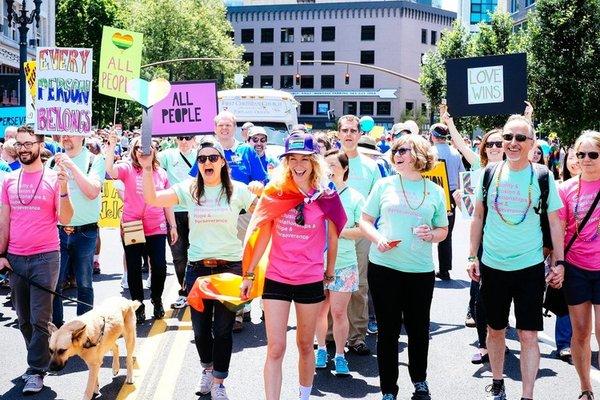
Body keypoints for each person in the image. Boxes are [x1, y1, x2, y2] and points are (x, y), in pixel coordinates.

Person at [141, 137, 256, 400]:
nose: (207, 162)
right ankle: (207, 369)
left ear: (222, 163)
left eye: (212, 158)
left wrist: (260, 190)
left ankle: (218, 382)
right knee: (201, 330)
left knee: (224, 330)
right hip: (197, 270)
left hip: (230, 269)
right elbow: (152, 198)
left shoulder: (237, 190)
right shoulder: (188, 189)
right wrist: (147, 168)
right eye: (202, 159)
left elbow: (261, 213)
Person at [240, 133, 346, 400]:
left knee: (304, 345)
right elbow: (263, 233)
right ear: (286, 162)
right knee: (275, 347)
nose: (299, 164)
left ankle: (304, 396)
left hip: (309, 279)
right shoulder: (275, 192)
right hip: (277, 277)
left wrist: (330, 271)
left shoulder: (326, 195)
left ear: (314, 162)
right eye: (293, 159)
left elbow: (333, 237)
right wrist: (249, 273)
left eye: (305, 159)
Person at [468, 115, 565, 400]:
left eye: (520, 138)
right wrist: (472, 256)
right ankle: (497, 382)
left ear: (532, 143)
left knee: (528, 335)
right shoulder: (489, 173)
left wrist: (559, 262)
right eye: (508, 137)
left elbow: (555, 223)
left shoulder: (543, 177)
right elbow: (478, 217)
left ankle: (527, 394)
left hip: (530, 268)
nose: (512, 143)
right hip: (493, 266)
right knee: (495, 330)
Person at [360, 134, 448, 400]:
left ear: (419, 154)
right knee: (387, 331)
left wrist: (432, 235)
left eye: (402, 150)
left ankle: (419, 381)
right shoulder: (384, 184)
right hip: (384, 266)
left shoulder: (433, 190)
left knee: (418, 329)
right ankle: (388, 389)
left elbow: (443, 229)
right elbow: (364, 220)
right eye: (394, 150)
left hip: (420, 271)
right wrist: (378, 238)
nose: (395, 154)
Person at [0, 125, 73, 394]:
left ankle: (36, 369)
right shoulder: (8, 180)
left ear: (40, 145)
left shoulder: (55, 178)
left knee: (40, 318)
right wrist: (1, 254)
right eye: (19, 143)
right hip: (16, 259)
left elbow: (66, 219)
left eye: (29, 143)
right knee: (24, 320)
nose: (23, 148)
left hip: (46, 257)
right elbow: (4, 220)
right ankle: (42, 358)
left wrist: (64, 188)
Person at [105, 134, 177, 324]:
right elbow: (111, 171)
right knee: (135, 270)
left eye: (148, 148)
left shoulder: (161, 172)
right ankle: (138, 305)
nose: (143, 152)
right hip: (132, 225)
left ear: (154, 151)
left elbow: (167, 201)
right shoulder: (127, 168)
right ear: (133, 151)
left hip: (157, 226)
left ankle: (157, 298)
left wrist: (173, 225)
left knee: (160, 267)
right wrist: (111, 147)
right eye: (139, 148)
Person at [315, 149, 364, 375]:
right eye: (327, 166)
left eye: (334, 165)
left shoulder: (355, 197)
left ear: (345, 169)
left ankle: (340, 354)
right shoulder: (317, 194)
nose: (330, 170)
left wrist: (338, 231)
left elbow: (361, 231)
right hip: (316, 263)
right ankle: (322, 349)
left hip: (344, 263)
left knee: (338, 312)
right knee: (318, 311)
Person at [559, 130, 600, 400]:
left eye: (593, 154)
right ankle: (585, 388)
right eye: (581, 154)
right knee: (581, 333)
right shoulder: (565, 189)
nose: (586, 159)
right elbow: (559, 230)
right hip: (576, 268)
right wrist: (557, 263)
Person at [336, 114, 382, 352]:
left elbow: (379, 201)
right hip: (332, 234)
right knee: (329, 283)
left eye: (353, 131)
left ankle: (357, 336)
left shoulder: (371, 166)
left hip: (361, 232)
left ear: (360, 134)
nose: (349, 134)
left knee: (359, 285)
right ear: (338, 134)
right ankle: (330, 336)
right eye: (345, 130)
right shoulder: (328, 163)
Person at [50, 134, 106, 326]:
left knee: (84, 283)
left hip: (85, 232)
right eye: (63, 133)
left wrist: (71, 165)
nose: (65, 137)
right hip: (57, 231)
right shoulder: (52, 162)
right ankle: (57, 331)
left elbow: (92, 192)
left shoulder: (95, 159)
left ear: (81, 134)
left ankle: (82, 330)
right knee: (55, 284)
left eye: (70, 133)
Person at [157, 135, 197, 309]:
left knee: (198, 254)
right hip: (174, 211)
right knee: (179, 255)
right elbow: (152, 167)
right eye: (181, 137)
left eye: (188, 137)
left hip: (197, 210)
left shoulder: (201, 154)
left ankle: (197, 292)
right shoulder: (167, 155)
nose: (184, 141)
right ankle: (184, 291)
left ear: (194, 139)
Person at [429, 123, 465, 280]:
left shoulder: (429, 152)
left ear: (432, 136)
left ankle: (423, 267)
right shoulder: (455, 153)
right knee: (446, 232)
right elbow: (462, 176)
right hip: (449, 193)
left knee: (424, 229)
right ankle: (444, 269)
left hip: (429, 191)